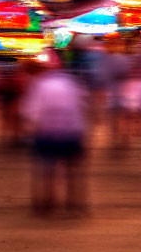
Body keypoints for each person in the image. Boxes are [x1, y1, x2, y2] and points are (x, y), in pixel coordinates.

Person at [20, 55, 89, 214]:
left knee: (47, 171)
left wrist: (30, 132)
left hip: (48, 133)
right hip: (72, 131)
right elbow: (83, 105)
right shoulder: (71, 82)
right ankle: (75, 204)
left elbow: (32, 113)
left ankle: (47, 204)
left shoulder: (40, 85)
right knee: (72, 170)